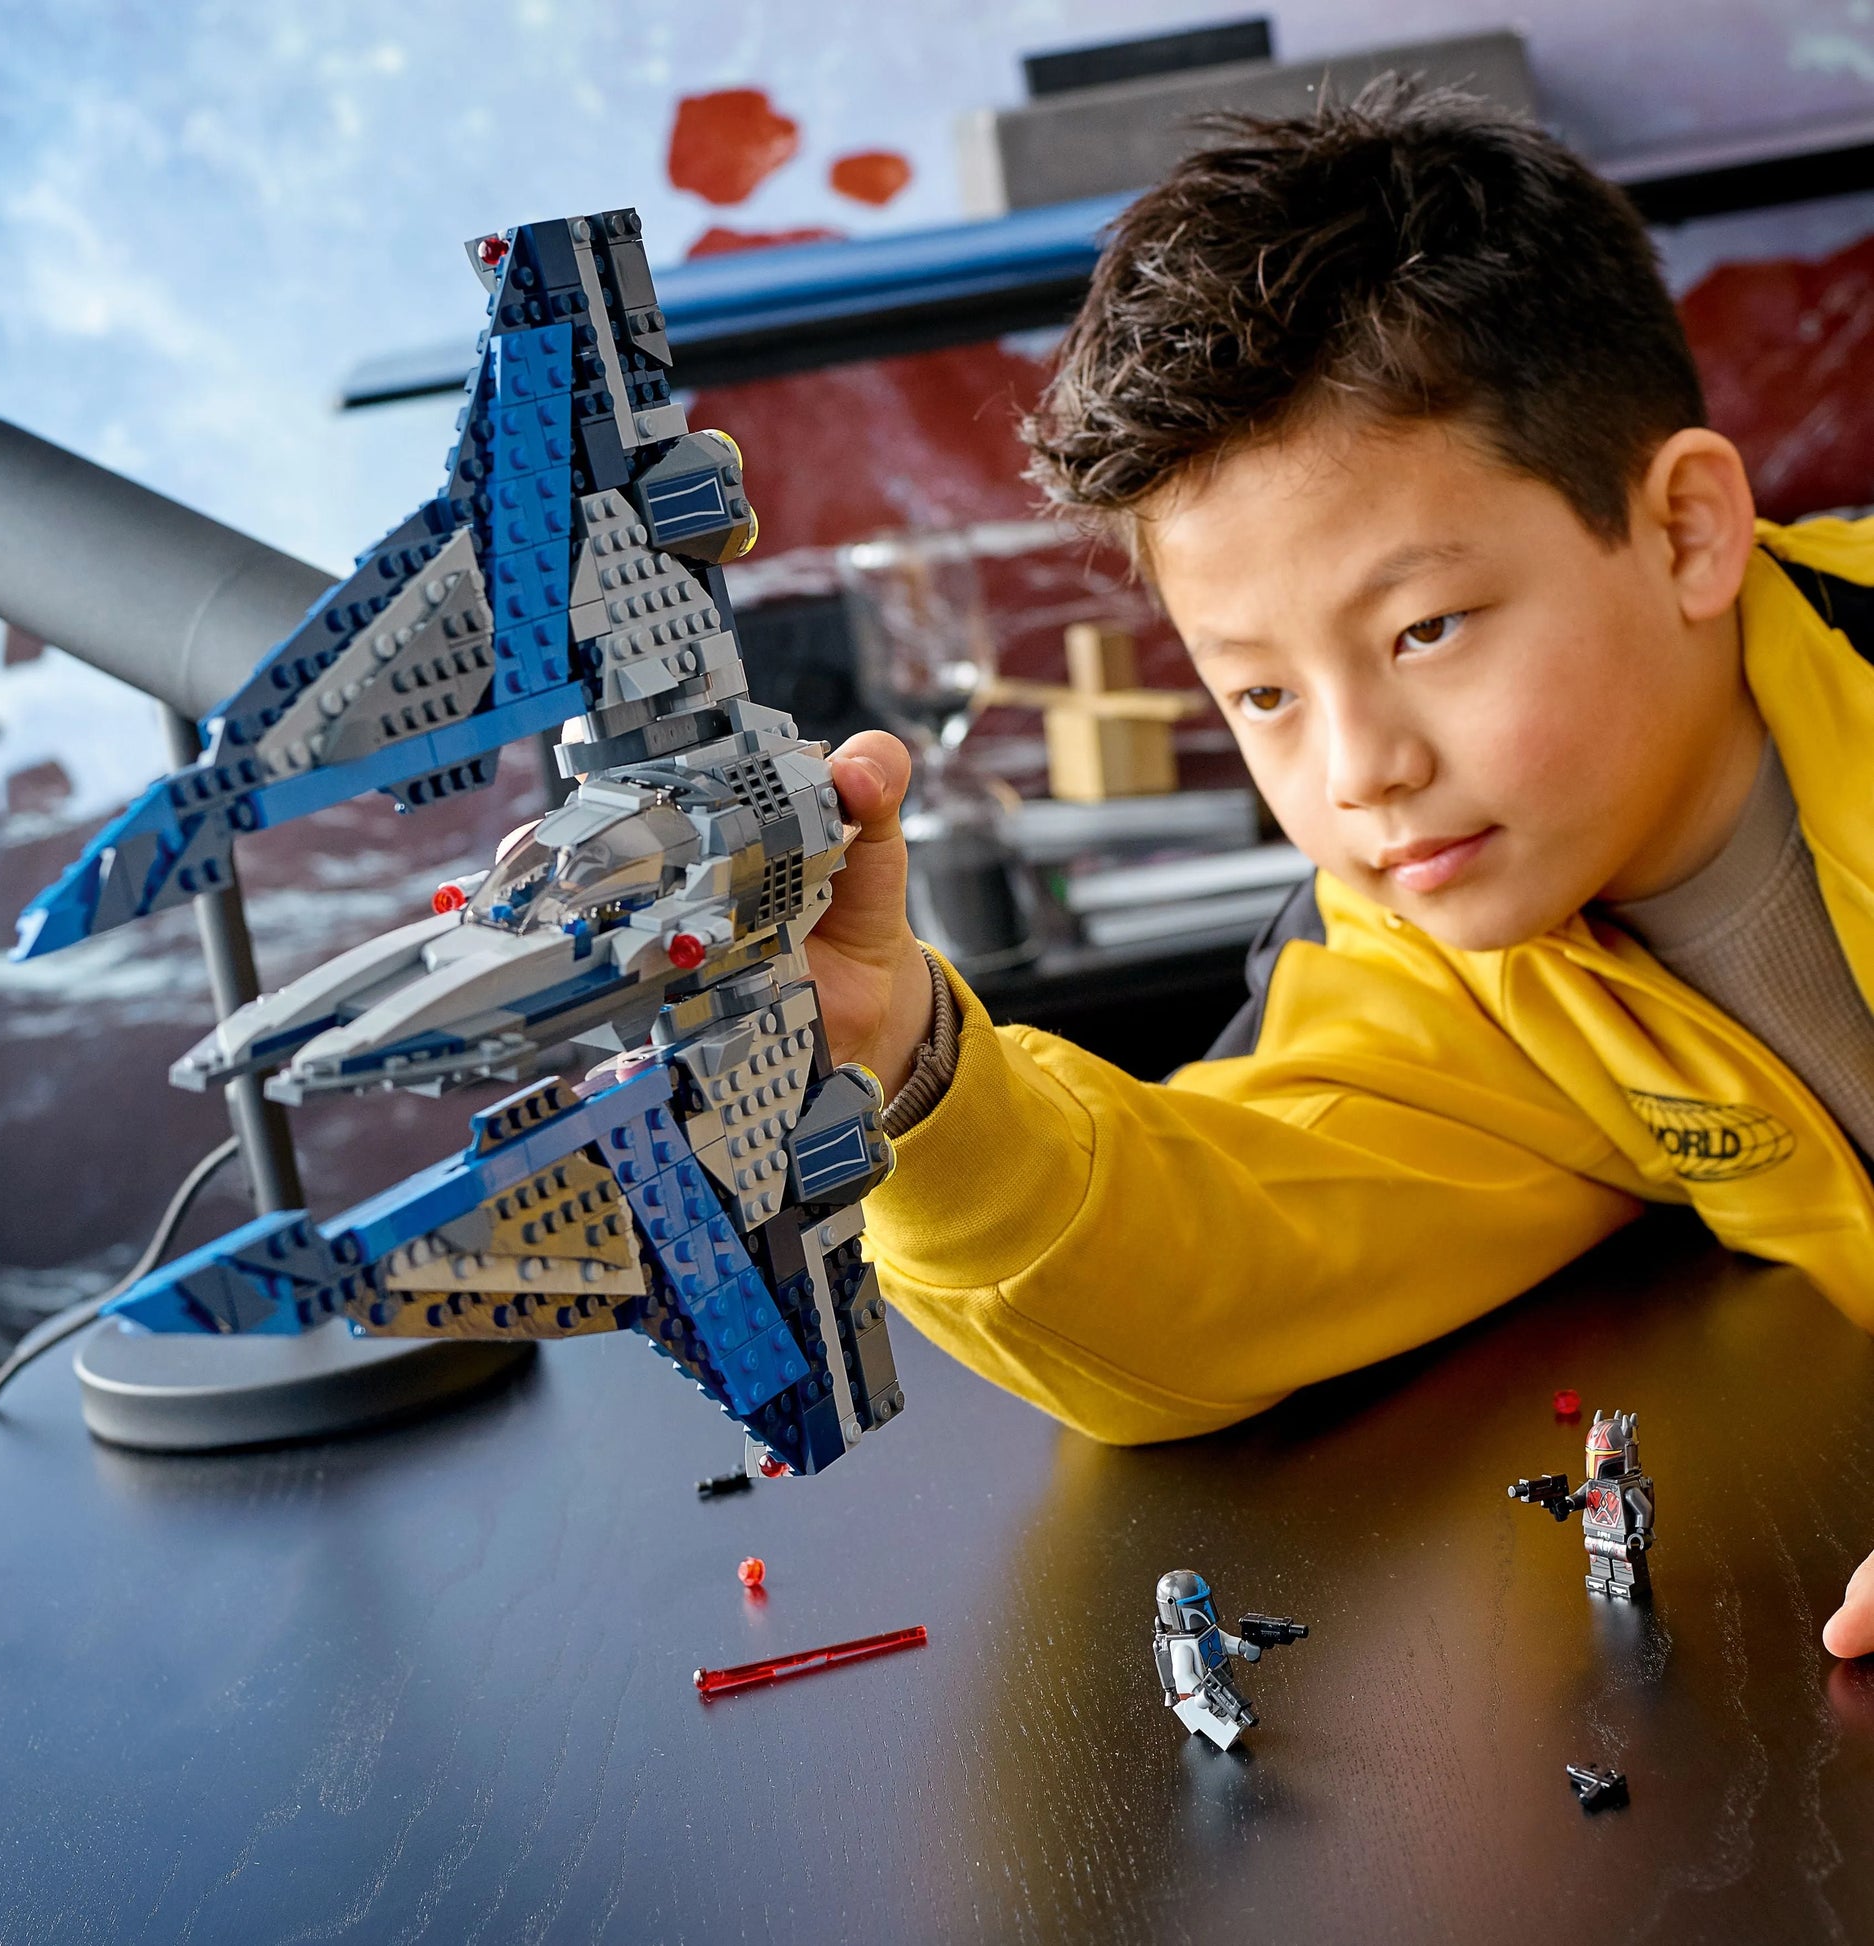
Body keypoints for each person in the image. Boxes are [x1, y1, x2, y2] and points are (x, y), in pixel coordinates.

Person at [799, 83, 1874, 1658]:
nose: (1356, 769)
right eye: (1261, 692)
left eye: (1422, 628)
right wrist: (905, 1062)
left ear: (1686, 531)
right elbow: (1214, 1266)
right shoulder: (1436, 943)